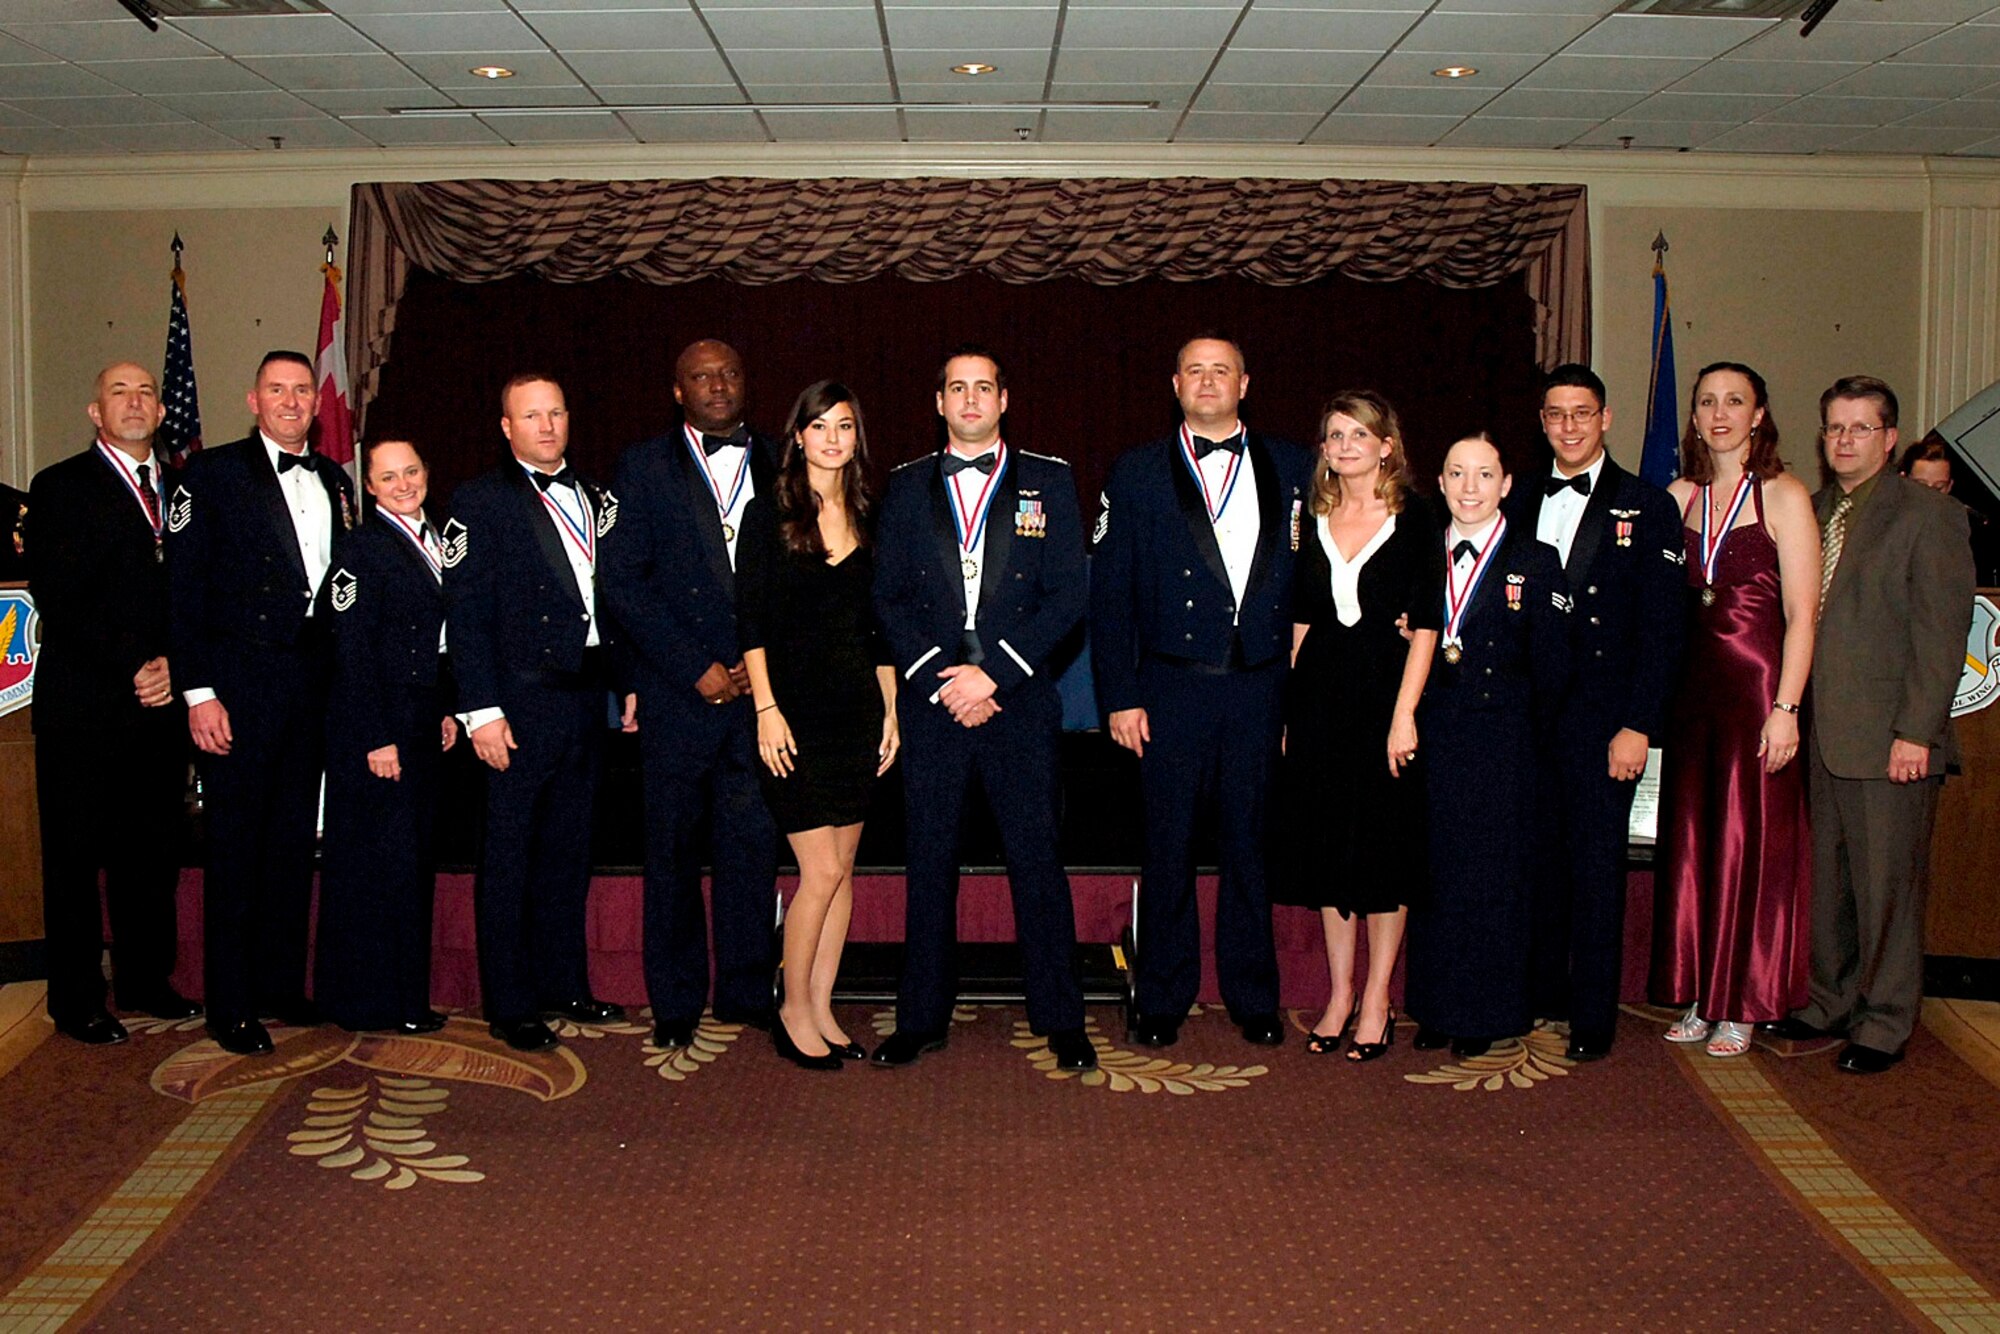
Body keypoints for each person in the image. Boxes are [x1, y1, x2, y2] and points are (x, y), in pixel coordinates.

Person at [871, 347, 1095, 1072]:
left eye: (984, 388)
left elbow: (1068, 596)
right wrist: (943, 678)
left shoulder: (1049, 479)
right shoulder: (904, 487)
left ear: (1004, 399)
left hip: (1018, 701)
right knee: (929, 863)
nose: (971, 399)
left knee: (1037, 862)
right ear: (939, 402)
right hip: (934, 702)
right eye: (957, 388)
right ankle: (919, 1019)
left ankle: (1061, 1019)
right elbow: (888, 599)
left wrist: (992, 676)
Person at [1089, 335, 1312, 1050]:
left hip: (1259, 685)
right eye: (1195, 371)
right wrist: (1119, 695)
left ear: (1245, 383)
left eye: (1222, 371)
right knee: (1169, 848)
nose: (1208, 381)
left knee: (1251, 848)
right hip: (1170, 686)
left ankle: (1253, 998)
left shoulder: (1295, 465)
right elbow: (1111, 593)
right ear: (1175, 383)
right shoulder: (1138, 471)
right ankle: (1162, 996)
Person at [1762, 376, 1974, 1074]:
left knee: (1889, 889)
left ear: (1889, 437)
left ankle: (1884, 1021)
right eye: (1833, 428)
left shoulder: (1927, 514)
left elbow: (1942, 635)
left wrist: (1917, 730)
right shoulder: (1812, 510)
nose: (1844, 440)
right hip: (1820, 734)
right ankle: (1829, 1001)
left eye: (1860, 428)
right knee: (1830, 884)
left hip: (1892, 740)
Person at [166, 350, 354, 1056]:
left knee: (288, 846)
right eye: (277, 389)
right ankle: (231, 1002)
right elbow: (183, 593)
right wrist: (199, 693)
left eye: (302, 390)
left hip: (309, 690)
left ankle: (278, 983)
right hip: (237, 691)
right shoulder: (211, 476)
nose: (291, 400)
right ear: (253, 400)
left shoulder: (336, 480)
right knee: (237, 849)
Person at [601, 339, 781, 1050]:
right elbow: (622, 581)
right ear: (678, 391)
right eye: (702, 376)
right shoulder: (640, 467)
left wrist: (755, 666)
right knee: (671, 853)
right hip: (680, 696)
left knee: (751, 849)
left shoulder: (781, 457)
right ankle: (675, 1000)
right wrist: (693, 666)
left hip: (759, 696)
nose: (718, 385)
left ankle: (744, 990)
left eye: (730, 372)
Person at [446, 373, 631, 1053]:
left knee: (569, 853)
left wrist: (627, 682)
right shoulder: (479, 501)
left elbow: (614, 601)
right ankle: (511, 1002)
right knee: (510, 858)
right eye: (531, 415)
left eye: (556, 412)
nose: (547, 426)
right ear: (506, 427)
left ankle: (564, 984)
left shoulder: (596, 496)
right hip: (518, 705)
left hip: (586, 700)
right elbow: (464, 616)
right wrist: (480, 712)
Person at [1508, 364, 1685, 1062]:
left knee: (1595, 871)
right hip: (1527, 722)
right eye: (1556, 415)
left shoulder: (1647, 506)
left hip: (1606, 722)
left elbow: (1665, 630)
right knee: (1537, 864)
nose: (1569, 427)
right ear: (1543, 421)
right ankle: (1540, 993)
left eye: (1582, 413)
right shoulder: (1515, 499)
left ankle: (1592, 1019)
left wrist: (1639, 725)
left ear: (1605, 418)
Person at [25, 361, 200, 1045]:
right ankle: (75, 999)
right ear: (96, 413)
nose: (135, 402)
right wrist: (135, 666)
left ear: (161, 414)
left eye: (146, 393)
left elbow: (196, 596)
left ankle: (145, 979)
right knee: (74, 858)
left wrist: (173, 668)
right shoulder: (61, 487)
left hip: (159, 708)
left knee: (151, 853)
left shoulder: (183, 489)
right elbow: (61, 596)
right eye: (119, 393)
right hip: (85, 709)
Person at [1648, 363, 1819, 1058]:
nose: (1720, 413)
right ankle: (1697, 989)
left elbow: (1805, 615)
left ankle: (1743, 1001)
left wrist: (1787, 706)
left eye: (1735, 401)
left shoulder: (1784, 494)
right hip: (1691, 697)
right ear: (1692, 416)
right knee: (1694, 844)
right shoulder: (1677, 496)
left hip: (1757, 695)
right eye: (1708, 401)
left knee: (1751, 845)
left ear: (1760, 414)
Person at [736, 381, 899, 1071]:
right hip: (793, 716)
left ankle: (824, 1005)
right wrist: (766, 710)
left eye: (845, 427)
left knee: (845, 870)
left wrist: (891, 710)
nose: (833, 438)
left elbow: (879, 628)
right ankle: (791, 1008)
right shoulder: (765, 514)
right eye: (820, 426)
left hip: (858, 711)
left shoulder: (869, 511)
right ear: (797, 435)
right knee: (820, 868)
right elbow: (752, 625)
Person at [1273, 390, 1438, 1062]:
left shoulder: (1417, 517)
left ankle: (1377, 997)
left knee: (1380, 853)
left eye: (1358, 435)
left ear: (1385, 445)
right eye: (1333, 435)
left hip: (1384, 698)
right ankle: (1339, 993)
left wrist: (1404, 717)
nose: (1344, 446)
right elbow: (1300, 620)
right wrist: (1286, 709)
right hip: (1319, 699)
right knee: (1330, 852)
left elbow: (1428, 623)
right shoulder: (1309, 516)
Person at [1407, 433, 1569, 1059]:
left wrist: (1527, 737)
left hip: (1504, 742)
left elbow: (1554, 667)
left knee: (1494, 877)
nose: (1469, 488)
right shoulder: (1419, 554)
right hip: (1434, 732)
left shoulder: (1536, 560)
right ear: (1440, 483)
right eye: (1456, 474)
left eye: (1484, 475)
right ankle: (1435, 1005)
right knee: (1435, 871)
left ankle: (1486, 1011)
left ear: (1506, 485)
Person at [316, 439, 456, 1035]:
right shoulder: (362, 548)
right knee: (377, 867)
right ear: (368, 487)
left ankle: (405, 996)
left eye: (412, 472)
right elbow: (349, 648)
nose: (403, 485)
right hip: (378, 730)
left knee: (412, 861)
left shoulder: (442, 538)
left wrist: (448, 710)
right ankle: (369, 1002)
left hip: (423, 722)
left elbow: (443, 639)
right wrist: (376, 737)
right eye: (388, 477)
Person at [1899, 438, 1998, 585]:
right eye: (1920, 485)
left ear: (1950, 486)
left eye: (1939, 488)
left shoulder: (1969, 530)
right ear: (1903, 480)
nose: (1930, 495)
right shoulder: (1883, 523)